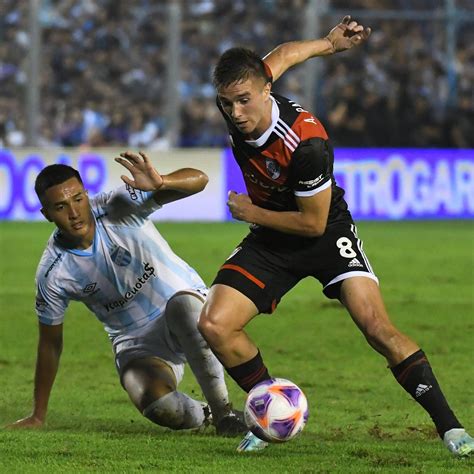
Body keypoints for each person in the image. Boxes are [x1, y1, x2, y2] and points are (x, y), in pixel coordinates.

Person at [198, 16, 474, 455]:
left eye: (243, 101)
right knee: (214, 323)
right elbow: (286, 54)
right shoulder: (244, 93)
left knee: (377, 327)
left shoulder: (307, 143)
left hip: (324, 232)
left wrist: (251, 211)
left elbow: (311, 224)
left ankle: (452, 429)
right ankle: (273, 409)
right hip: (273, 238)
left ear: (265, 91)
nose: (235, 113)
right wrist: (327, 43)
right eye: (226, 103)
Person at [7, 152, 246, 437]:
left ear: (86, 193)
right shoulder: (53, 272)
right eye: (60, 206)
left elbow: (200, 180)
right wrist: (38, 413)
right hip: (137, 342)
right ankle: (206, 414)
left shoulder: (118, 206)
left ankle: (225, 414)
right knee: (159, 406)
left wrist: (161, 182)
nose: (73, 212)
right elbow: (50, 344)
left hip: (187, 304)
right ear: (46, 214)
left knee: (182, 307)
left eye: (78, 199)